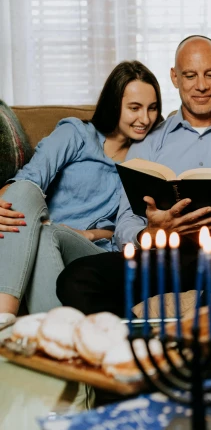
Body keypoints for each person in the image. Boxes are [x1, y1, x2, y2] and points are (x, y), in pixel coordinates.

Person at [56, 35, 211, 316]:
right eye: (190, 75)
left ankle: (201, 324)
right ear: (175, 77)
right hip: (167, 257)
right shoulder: (148, 142)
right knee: (77, 277)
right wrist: (151, 232)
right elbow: (125, 219)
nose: (201, 85)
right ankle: (140, 344)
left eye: (210, 74)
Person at [0, 61, 162, 315]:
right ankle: (6, 317)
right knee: (26, 195)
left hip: (90, 253)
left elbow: (126, 228)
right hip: (38, 234)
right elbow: (30, 178)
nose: (145, 119)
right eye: (135, 108)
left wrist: (91, 234)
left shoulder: (145, 161)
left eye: (152, 109)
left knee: (49, 233)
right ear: (114, 104)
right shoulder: (76, 134)